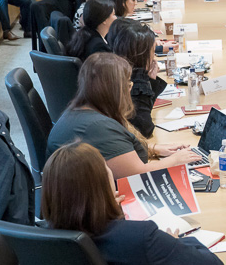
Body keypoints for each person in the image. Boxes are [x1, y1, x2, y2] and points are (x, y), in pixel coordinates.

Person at [41, 141, 224, 265]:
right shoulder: (140, 237)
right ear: (102, 185)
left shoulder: (41, 240)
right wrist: (171, 242)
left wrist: (111, 211)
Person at [47, 53, 201, 178]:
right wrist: (176, 160)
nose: (130, 89)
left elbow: (115, 152)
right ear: (115, 90)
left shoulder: (83, 109)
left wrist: (154, 149)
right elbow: (136, 173)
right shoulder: (98, 127)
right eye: (128, 84)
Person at [107, 19, 166, 138]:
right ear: (143, 55)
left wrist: (151, 81)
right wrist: (147, 82)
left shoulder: (117, 69)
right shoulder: (135, 81)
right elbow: (144, 129)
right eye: (153, 51)